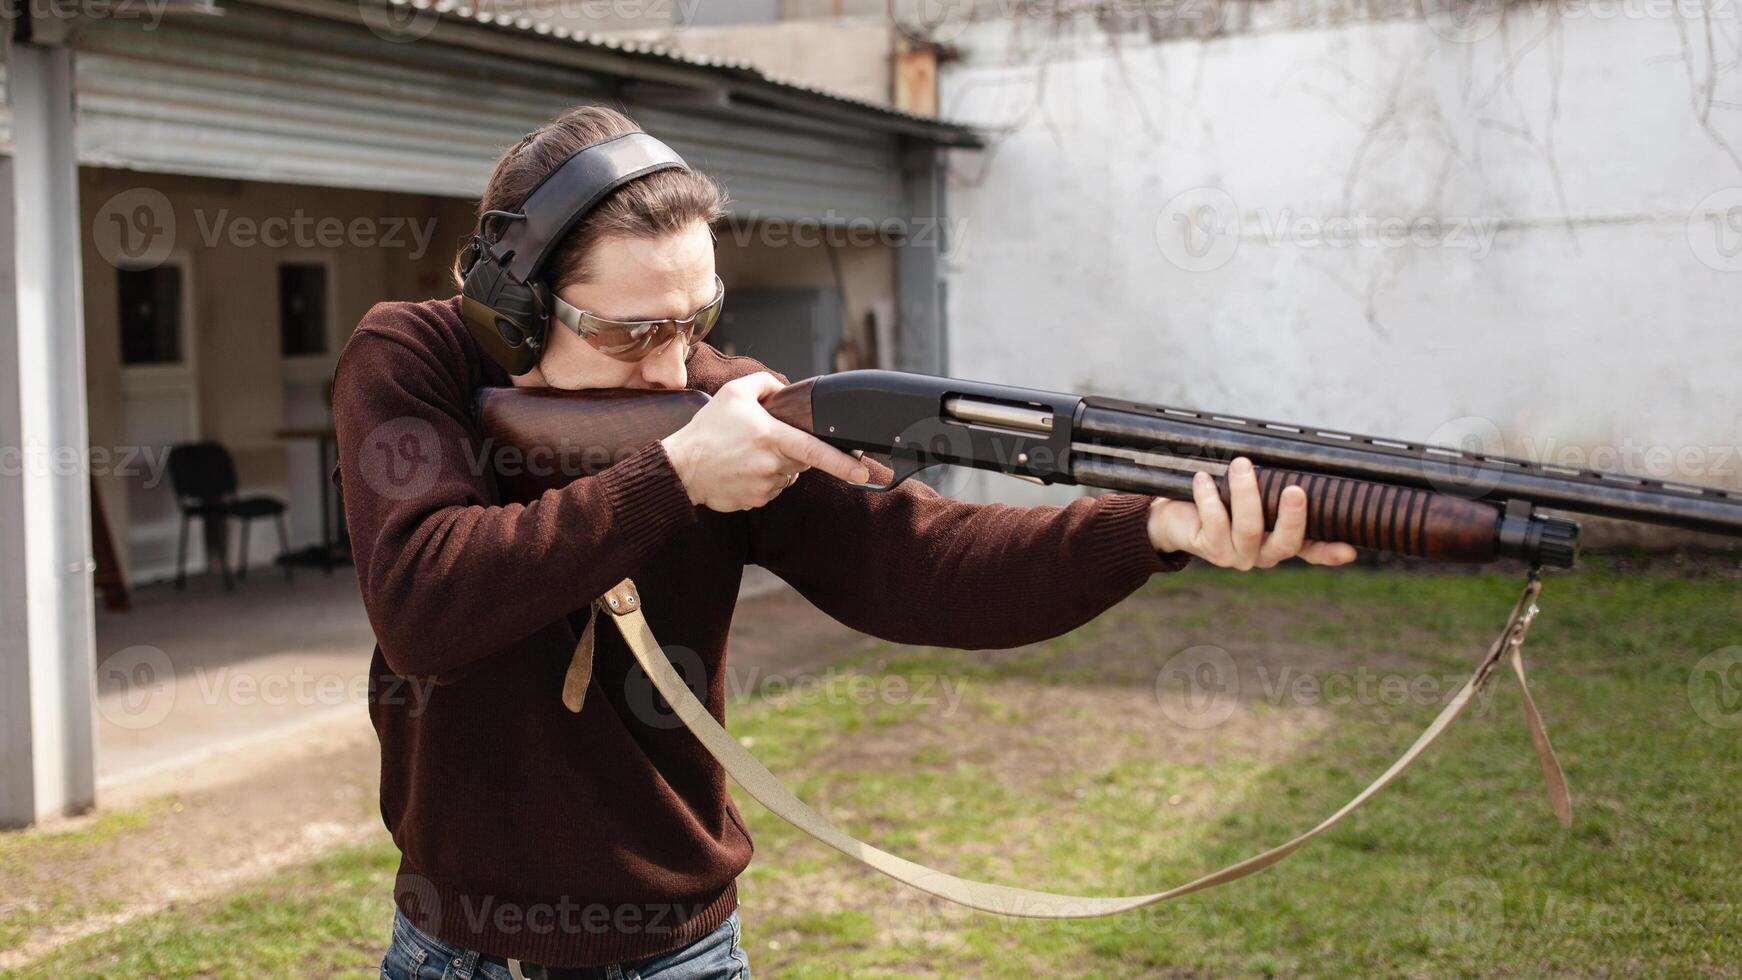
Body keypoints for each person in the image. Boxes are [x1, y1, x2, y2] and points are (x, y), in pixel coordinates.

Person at [333, 105, 1357, 980]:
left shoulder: (728, 399)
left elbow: (931, 568)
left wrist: (1152, 526)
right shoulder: (410, 360)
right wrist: (677, 476)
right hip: (452, 946)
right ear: (511, 311)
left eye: (694, 320)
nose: (673, 365)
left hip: (671, 948)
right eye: (630, 332)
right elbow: (425, 600)